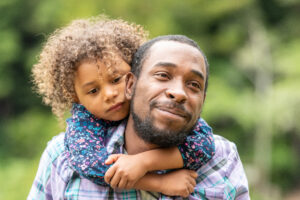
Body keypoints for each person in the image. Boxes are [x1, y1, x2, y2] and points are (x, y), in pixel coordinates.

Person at [28, 32, 250, 199]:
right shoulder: (65, 152)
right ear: (132, 85)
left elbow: (202, 146)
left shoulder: (222, 158)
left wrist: (142, 162)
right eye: (163, 75)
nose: (110, 94)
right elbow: (93, 166)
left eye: (194, 84)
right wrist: (158, 182)